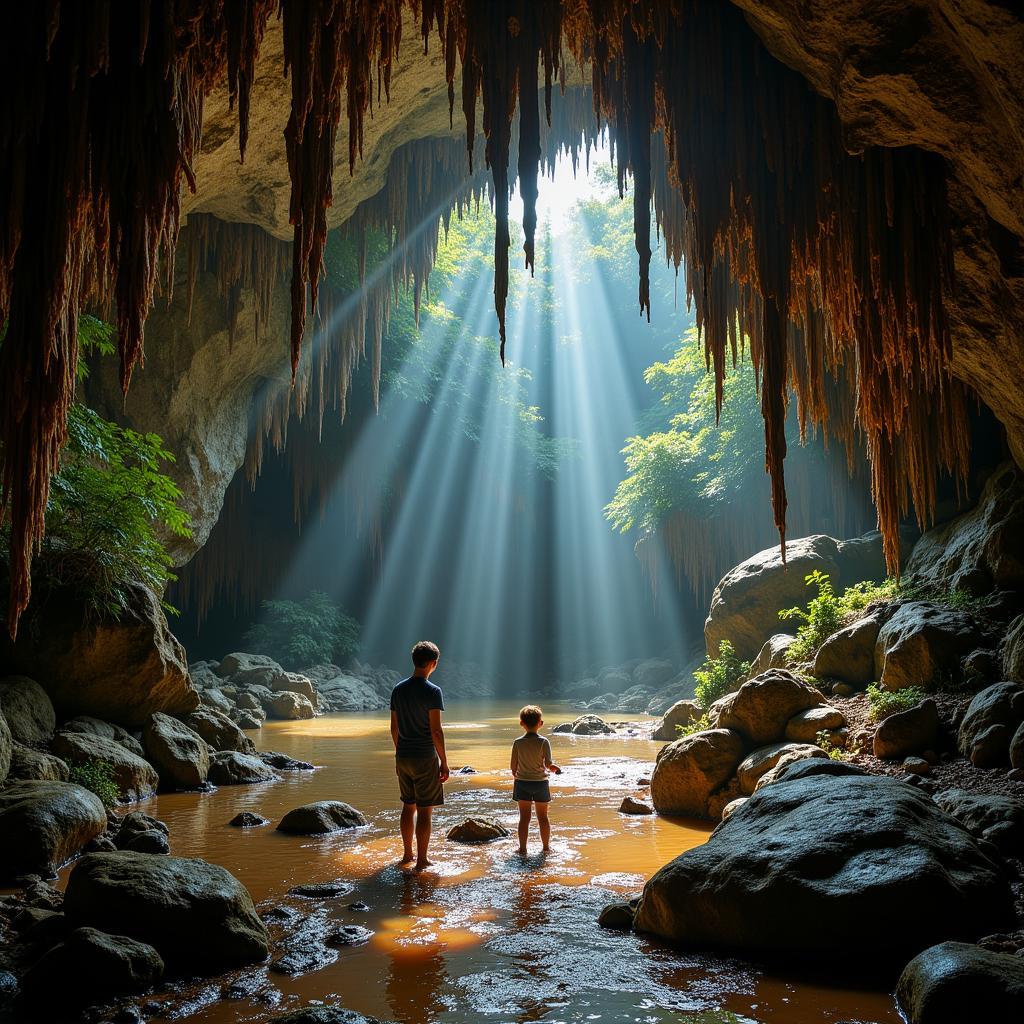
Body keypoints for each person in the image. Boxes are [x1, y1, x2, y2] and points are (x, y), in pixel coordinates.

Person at [390, 640, 449, 870]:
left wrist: (399, 753)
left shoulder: (398, 689)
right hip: (424, 757)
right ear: (433, 664)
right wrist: (444, 761)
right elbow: (436, 730)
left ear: (414, 661)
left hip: (403, 755)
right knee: (425, 810)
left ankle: (407, 855)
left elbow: (394, 729)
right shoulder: (433, 691)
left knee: (408, 805)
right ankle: (422, 860)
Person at [510, 704, 561, 855]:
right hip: (540, 783)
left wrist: (519, 775)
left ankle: (522, 848)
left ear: (521, 723)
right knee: (543, 818)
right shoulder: (544, 742)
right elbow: (548, 764)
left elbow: (513, 767)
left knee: (524, 818)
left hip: (522, 783)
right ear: (541, 723)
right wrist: (555, 769)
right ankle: (545, 848)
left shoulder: (518, 743)